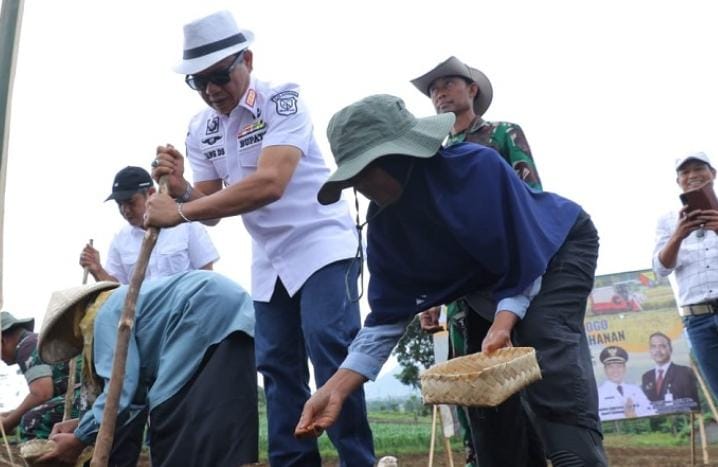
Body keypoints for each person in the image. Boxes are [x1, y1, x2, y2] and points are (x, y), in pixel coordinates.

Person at [295, 94, 608, 467]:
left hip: (554, 251)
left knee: (542, 341)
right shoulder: (384, 227)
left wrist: (504, 323)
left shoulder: (477, 169)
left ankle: (577, 456)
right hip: (486, 284)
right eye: (353, 176)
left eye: (366, 170)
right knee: (483, 387)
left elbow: (523, 259)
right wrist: (333, 389)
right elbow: (386, 319)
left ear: (401, 156)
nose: (361, 185)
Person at [144, 10, 374, 466]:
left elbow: (271, 183)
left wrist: (182, 210)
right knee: (275, 364)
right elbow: (209, 204)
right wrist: (180, 185)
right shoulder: (202, 128)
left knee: (329, 347)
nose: (211, 90)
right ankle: (292, 462)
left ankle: (357, 460)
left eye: (219, 76)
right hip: (270, 260)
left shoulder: (282, 101)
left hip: (322, 244)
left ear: (246, 59)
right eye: (198, 81)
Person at [412, 56, 544, 467]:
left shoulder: (502, 133)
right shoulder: (431, 153)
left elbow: (532, 198)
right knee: (473, 391)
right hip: (461, 291)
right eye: (434, 88)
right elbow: (435, 229)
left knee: (524, 386)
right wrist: (430, 294)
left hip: (512, 277)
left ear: (472, 90)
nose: (440, 92)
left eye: (449, 83)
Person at [35, 271, 257, 467]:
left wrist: (80, 438)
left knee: (170, 427)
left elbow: (120, 392)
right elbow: (134, 397)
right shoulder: (127, 301)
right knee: (216, 433)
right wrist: (86, 424)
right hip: (234, 308)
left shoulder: (104, 314)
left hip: (197, 310)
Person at [79, 165, 219, 284]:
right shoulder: (120, 240)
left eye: (130, 202)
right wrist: (97, 269)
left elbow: (206, 275)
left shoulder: (185, 224)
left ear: (151, 193)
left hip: (186, 311)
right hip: (142, 315)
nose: (125, 210)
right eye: (120, 204)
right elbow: (115, 295)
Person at [653, 151, 718, 400]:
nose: (692, 175)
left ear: (713, 173)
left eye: (699, 168)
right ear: (678, 180)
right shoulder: (668, 220)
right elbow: (660, 269)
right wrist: (678, 234)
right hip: (697, 320)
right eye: (684, 171)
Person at [0, 311, 80, 440]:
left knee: (32, 421)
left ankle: (48, 459)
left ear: (2, 340)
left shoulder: (26, 347)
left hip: (82, 397)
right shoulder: (35, 341)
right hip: (82, 395)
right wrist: (10, 415)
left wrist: (7, 424)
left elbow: (42, 394)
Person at [641, 332, 699, 412]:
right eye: (653, 346)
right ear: (650, 351)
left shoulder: (684, 372)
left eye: (662, 346)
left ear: (670, 349)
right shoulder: (646, 376)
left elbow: (693, 404)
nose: (658, 350)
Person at [597, 345, 655, 421]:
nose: (615, 370)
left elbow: (651, 412)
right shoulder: (598, 393)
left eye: (619, 366)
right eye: (611, 367)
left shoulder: (635, 389)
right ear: (605, 370)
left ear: (625, 369)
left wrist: (634, 415)